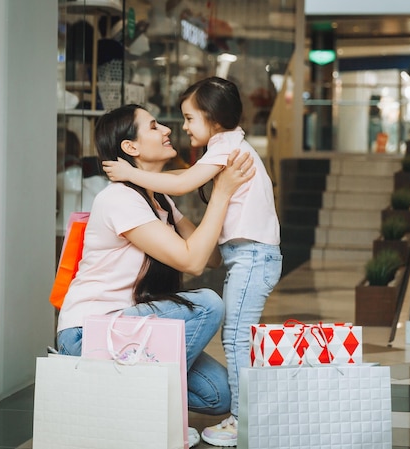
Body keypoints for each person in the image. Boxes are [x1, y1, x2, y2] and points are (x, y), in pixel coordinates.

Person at [56, 104, 255, 448]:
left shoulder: (159, 199)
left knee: (219, 394)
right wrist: (221, 193)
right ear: (130, 148)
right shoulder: (120, 198)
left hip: (128, 331)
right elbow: (191, 262)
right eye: (152, 126)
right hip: (88, 334)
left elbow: (210, 258)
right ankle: (148, 411)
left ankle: (130, 399)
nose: (166, 129)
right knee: (207, 304)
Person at [102, 76, 283, 447]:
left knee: (236, 340)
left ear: (213, 118)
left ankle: (243, 421)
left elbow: (184, 184)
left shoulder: (226, 147)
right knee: (236, 339)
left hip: (251, 256)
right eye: (162, 124)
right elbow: (208, 251)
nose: (180, 128)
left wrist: (129, 172)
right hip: (246, 256)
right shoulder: (228, 145)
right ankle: (226, 414)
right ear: (130, 145)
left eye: (189, 118)